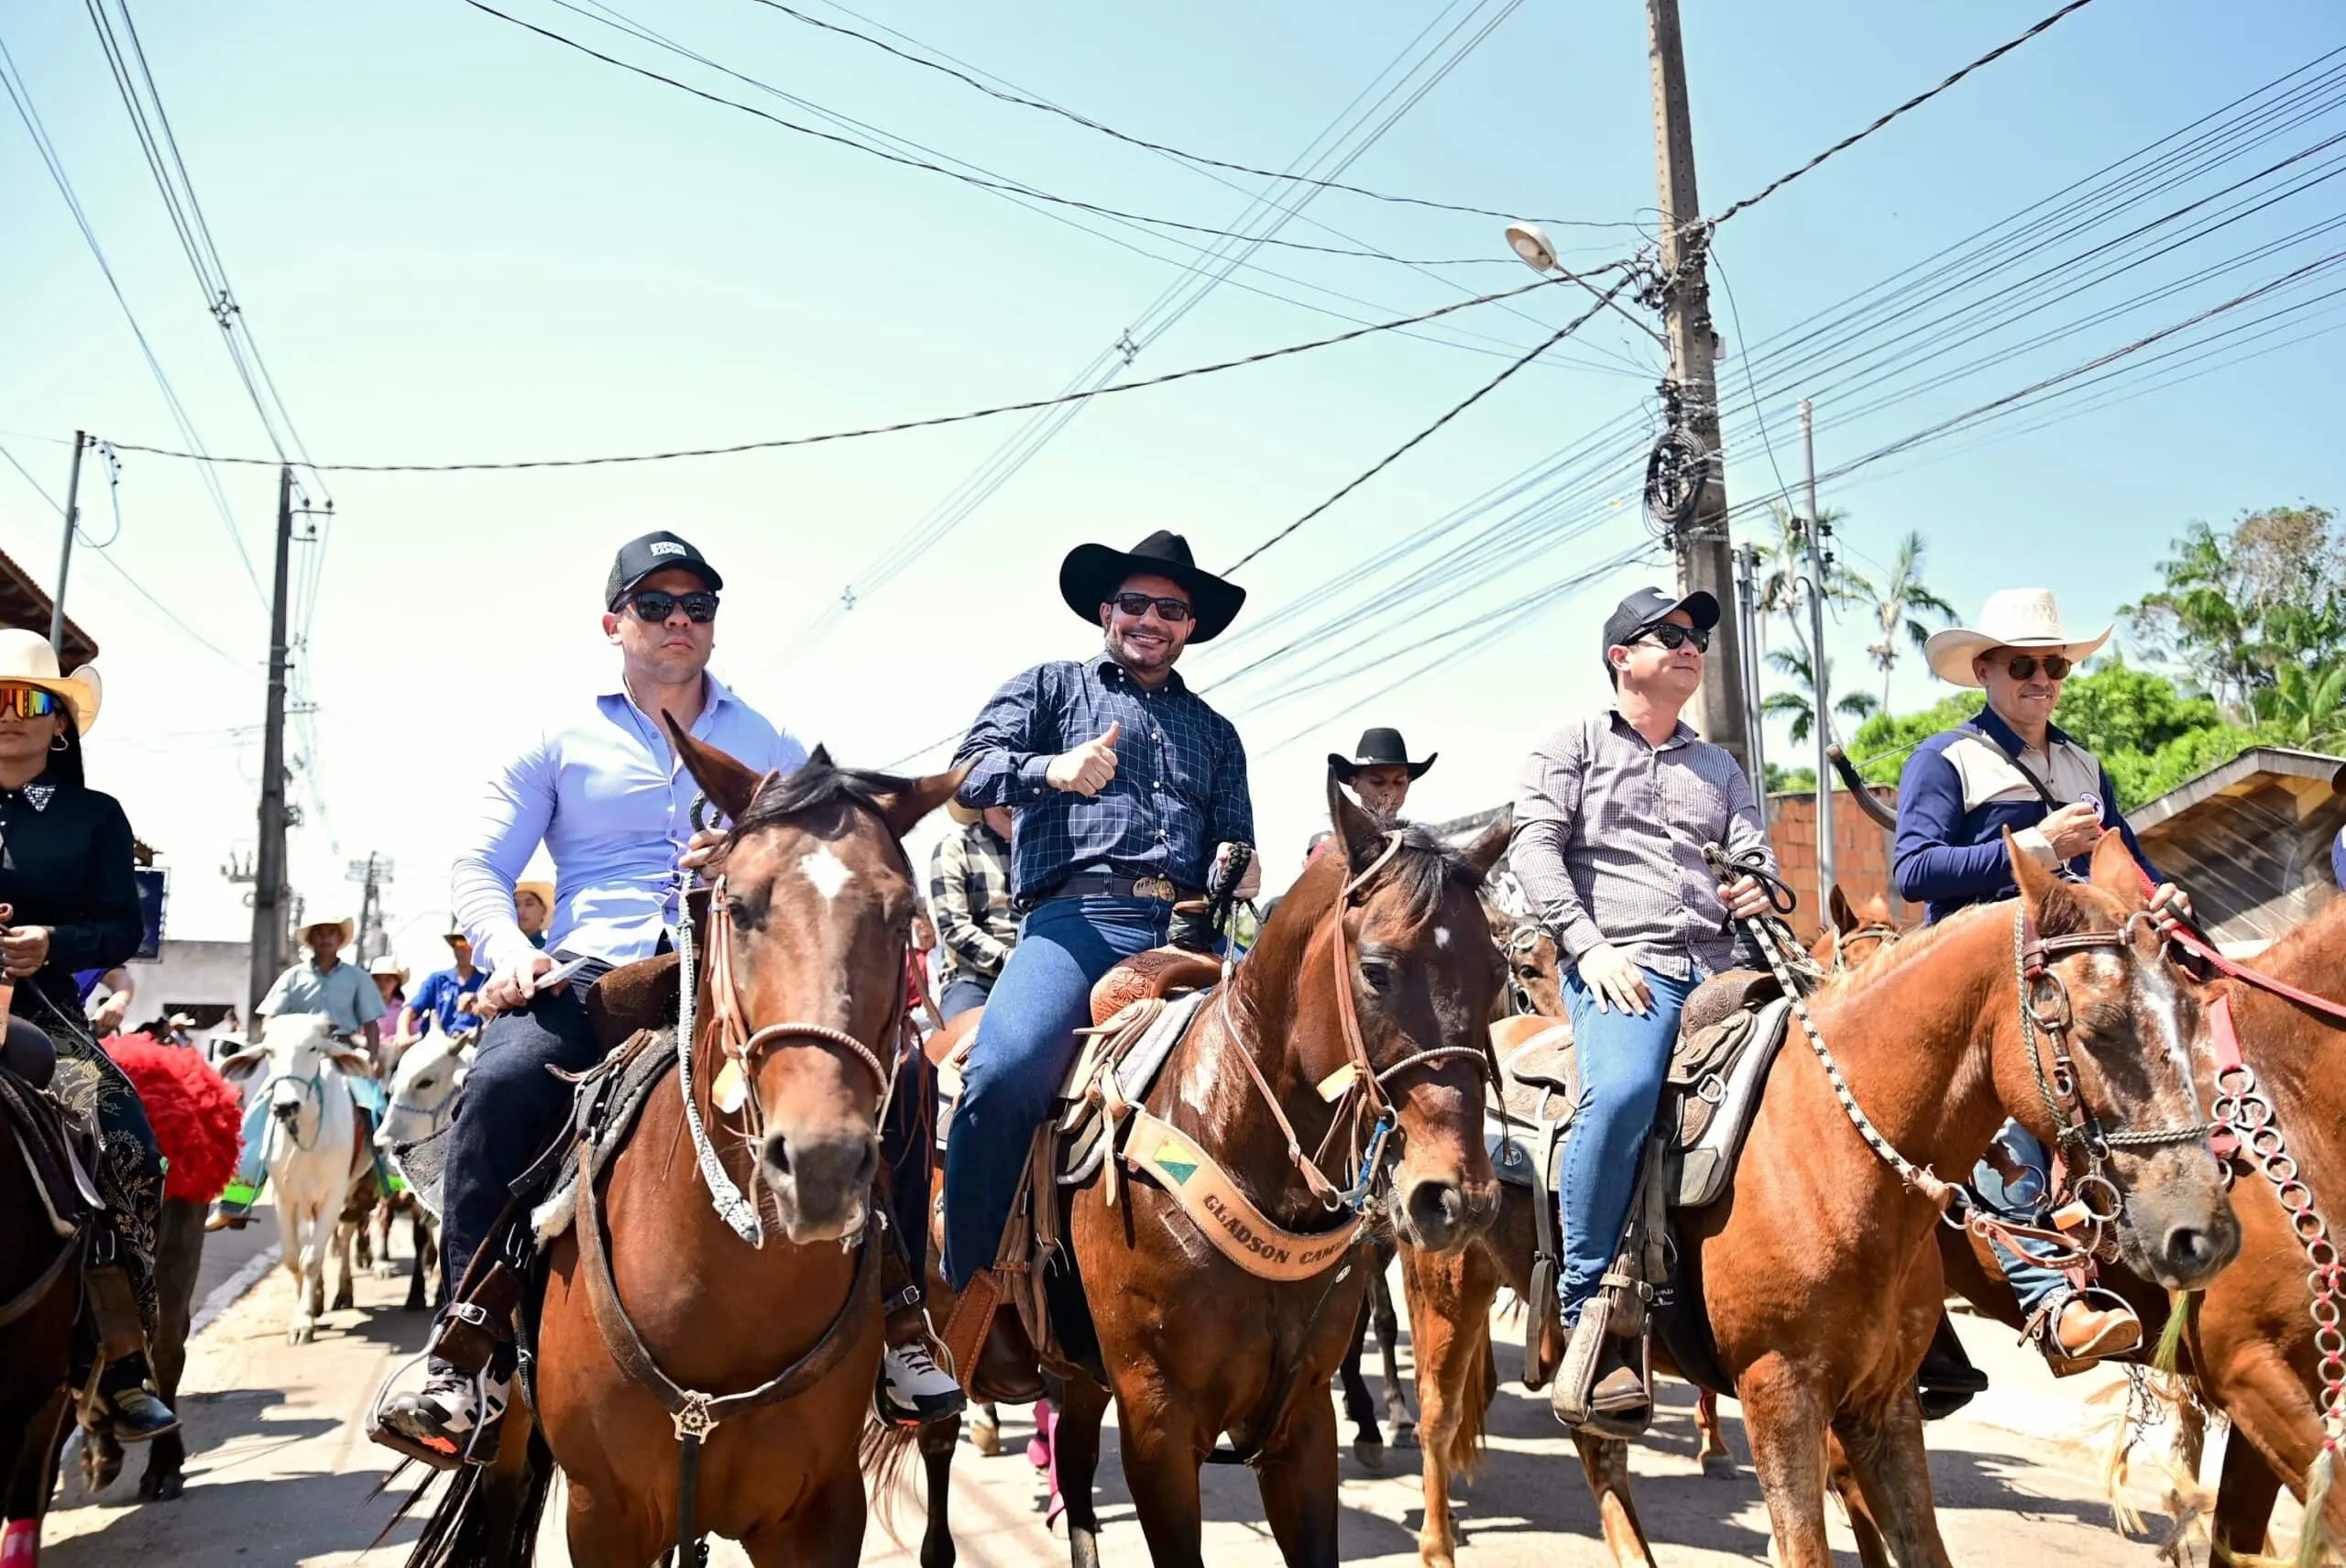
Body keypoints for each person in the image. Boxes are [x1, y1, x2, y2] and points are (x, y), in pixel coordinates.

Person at [378, 530, 961, 1454]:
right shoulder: (557, 739)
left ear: (714, 626)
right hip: (592, 971)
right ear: (615, 624)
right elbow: (480, 865)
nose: (677, 620)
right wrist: (509, 950)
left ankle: (902, 1321)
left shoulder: (771, 742)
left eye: (697, 606)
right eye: (654, 605)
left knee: (906, 1078)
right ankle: (464, 1348)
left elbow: (827, 860)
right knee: (503, 1080)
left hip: (735, 970)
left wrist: (748, 859)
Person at [942, 530, 1258, 1295]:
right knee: (1005, 1073)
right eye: (1136, 603)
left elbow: (1234, 834)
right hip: (1076, 927)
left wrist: (1238, 863)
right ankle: (967, 1296)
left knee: (1300, 1068)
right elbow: (967, 774)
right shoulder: (1051, 688)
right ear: (1105, 610)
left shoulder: (1217, 733)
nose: (1151, 620)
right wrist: (1053, 769)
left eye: (1171, 610)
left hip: (1189, 933)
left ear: (1190, 626)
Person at [1896, 588, 2192, 1380]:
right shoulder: (1946, 759)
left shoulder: (2084, 764)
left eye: (2054, 667)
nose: (2041, 680)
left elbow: (2125, 862)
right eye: (2022, 665)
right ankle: (2049, 1299)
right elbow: (1914, 870)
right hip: (1985, 978)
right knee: (2015, 1112)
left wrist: (2160, 893)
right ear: (1985, 671)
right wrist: (2035, 844)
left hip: (2079, 969)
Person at [1510, 587, 1777, 1434]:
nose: (1691, 645)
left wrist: (1757, 885)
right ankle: (1588, 1303)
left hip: (1726, 966)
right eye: (1670, 634)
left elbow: (1757, 857)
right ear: (1621, 656)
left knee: (1848, 1069)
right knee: (1624, 1093)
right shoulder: (1571, 745)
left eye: (1698, 636)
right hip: (1626, 965)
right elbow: (1534, 849)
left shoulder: (1721, 766)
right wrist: (1588, 948)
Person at [0, 628, 178, 1441]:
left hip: (42, 1009)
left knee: (127, 1139)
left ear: (59, 721)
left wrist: (52, 943)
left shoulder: (95, 816)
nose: (10, 714)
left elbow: (120, 927)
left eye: (28, 699)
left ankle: (121, 1357)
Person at [928, 802, 1017, 1022]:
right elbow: (954, 929)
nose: (1011, 799)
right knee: (957, 1039)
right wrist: (1014, 960)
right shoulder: (955, 848)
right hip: (975, 979)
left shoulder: (1043, 850)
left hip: (1042, 967)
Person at [258, 916, 385, 1050]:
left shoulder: (359, 978)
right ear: (311, 939)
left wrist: (371, 1057)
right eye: (319, 933)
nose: (325, 938)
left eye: (331, 933)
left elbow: (371, 1023)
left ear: (340, 938)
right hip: (301, 1049)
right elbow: (270, 1018)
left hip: (342, 1048)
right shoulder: (292, 977)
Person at [1327, 727, 1436, 826]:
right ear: (1355, 784)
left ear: (1408, 784)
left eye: (1398, 782)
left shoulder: (1420, 838)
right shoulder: (1339, 841)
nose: (1390, 792)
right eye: (1377, 782)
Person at [403, 927, 488, 1038]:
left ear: (476, 947)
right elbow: (410, 1010)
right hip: (436, 1042)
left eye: (465, 943)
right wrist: (402, 1035)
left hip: (472, 1042)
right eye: (456, 943)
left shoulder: (486, 983)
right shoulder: (437, 980)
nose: (460, 949)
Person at [513, 881, 554, 949]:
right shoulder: (499, 949)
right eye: (516, 905)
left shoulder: (552, 950)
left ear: (543, 910)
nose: (520, 911)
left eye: (529, 904)